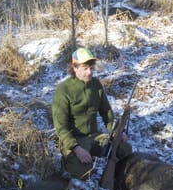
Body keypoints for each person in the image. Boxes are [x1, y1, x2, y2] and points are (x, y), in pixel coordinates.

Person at [52, 47, 132, 180]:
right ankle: (67, 162)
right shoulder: (63, 90)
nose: (89, 72)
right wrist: (76, 148)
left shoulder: (96, 84)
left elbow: (106, 113)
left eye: (91, 68)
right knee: (83, 173)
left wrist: (117, 131)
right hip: (74, 140)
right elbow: (61, 128)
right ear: (74, 68)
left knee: (124, 149)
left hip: (94, 136)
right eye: (85, 68)